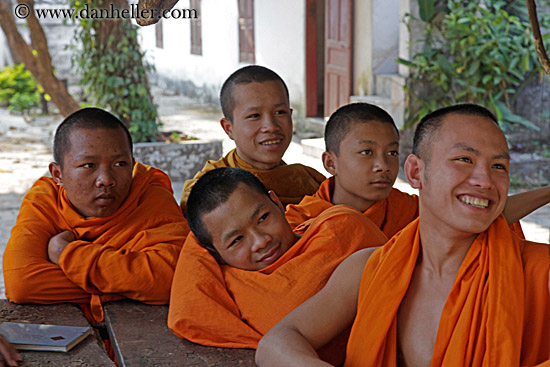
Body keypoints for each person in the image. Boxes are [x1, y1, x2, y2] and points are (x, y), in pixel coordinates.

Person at [256, 104, 550, 367]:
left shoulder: (538, 272)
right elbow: (278, 340)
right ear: (415, 171)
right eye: (464, 159)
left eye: (499, 166)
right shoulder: (371, 268)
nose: (485, 180)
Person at [168, 167, 387, 364]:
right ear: (216, 254)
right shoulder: (226, 287)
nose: (261, 241)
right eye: (236, 240)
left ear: (277, 202)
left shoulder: (342, 229)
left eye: (263, 218)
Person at [3, 108, 189, 322]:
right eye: (88, 165)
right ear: (58, 174)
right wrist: (130, 286)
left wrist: (66, 253)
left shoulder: (148, 196)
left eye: (120, 164)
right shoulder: (45, 201)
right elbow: (21, 283)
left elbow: (175, 277)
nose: (106, 179)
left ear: (133, 164)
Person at [285, 102, 550, 238]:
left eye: (391, 152)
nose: (383, 165)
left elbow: (488, 212)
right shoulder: (302, 221)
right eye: (367, 153)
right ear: (331, 163)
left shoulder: (406, 209)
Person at [179, 65, 325, 214]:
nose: (271, 126)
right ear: (229, 128)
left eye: (280, 112)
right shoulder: (205, 193)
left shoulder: (309, 180)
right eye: (254, 116)